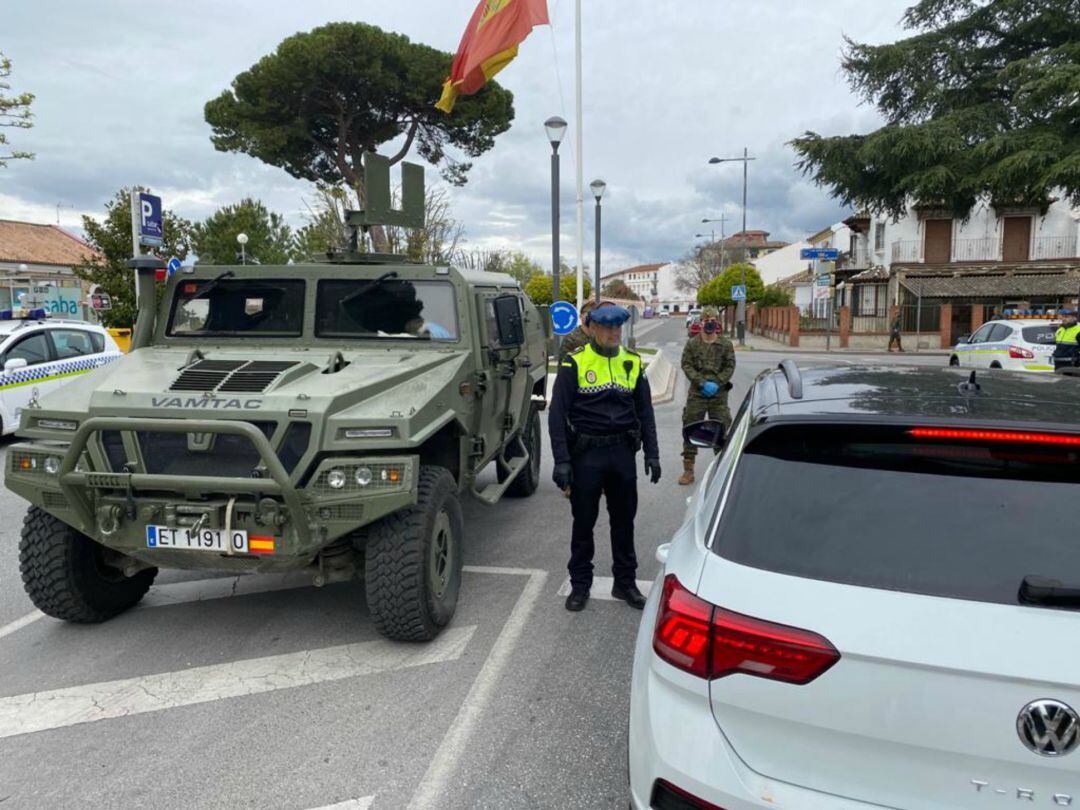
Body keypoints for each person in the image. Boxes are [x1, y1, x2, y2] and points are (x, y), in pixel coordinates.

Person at [548, 304, 660, 612]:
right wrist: (562, 460)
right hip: (587, 456)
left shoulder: (633, 363)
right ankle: (580, 584)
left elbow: (645, 413)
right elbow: (557, 415)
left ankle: (624, 583)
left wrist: (652, 453)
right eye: (607, 327)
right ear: (592, 328)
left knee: (624, 523)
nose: (613, 333)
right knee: (583, 523)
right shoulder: (574, 363)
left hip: (622, 454)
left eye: (618, 327)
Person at [679, 306, 736, 486]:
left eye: (712, 322)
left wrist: (717, 382)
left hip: (718, 395)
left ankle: (721, 469)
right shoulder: (692, 344)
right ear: (701, 323)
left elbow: (730, 366)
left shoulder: (726, 344)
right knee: (690, 427)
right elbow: (686, 364)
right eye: (706, 322)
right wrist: (702, 383)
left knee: (720, 430)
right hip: (697, 393)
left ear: (716, 324)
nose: (709, 325)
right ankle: (688, 470)